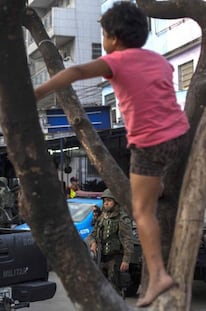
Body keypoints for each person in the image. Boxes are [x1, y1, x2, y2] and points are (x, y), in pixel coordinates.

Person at [34, 2, 189, 307]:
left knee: (141, 211)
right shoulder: (159, 61)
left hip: (149, 144)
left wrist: (38, 92)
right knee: (154, 186)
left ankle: (158, 274)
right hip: (180, 136)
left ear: (114, 38)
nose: (102, 41)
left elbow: (78, 71)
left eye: (102, 34)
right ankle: (158, 187)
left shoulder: (116, 60)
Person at [88, 189, 134, 294]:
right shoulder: (101, 218)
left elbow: (127, 240)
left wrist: (126, 260)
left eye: (109, 201)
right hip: (101, 258)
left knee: (114, 289)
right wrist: (93, 243)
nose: (106, 203)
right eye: (104, 201)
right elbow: (93, 234)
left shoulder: (122, 219)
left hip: (115, 258)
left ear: (115, 202)